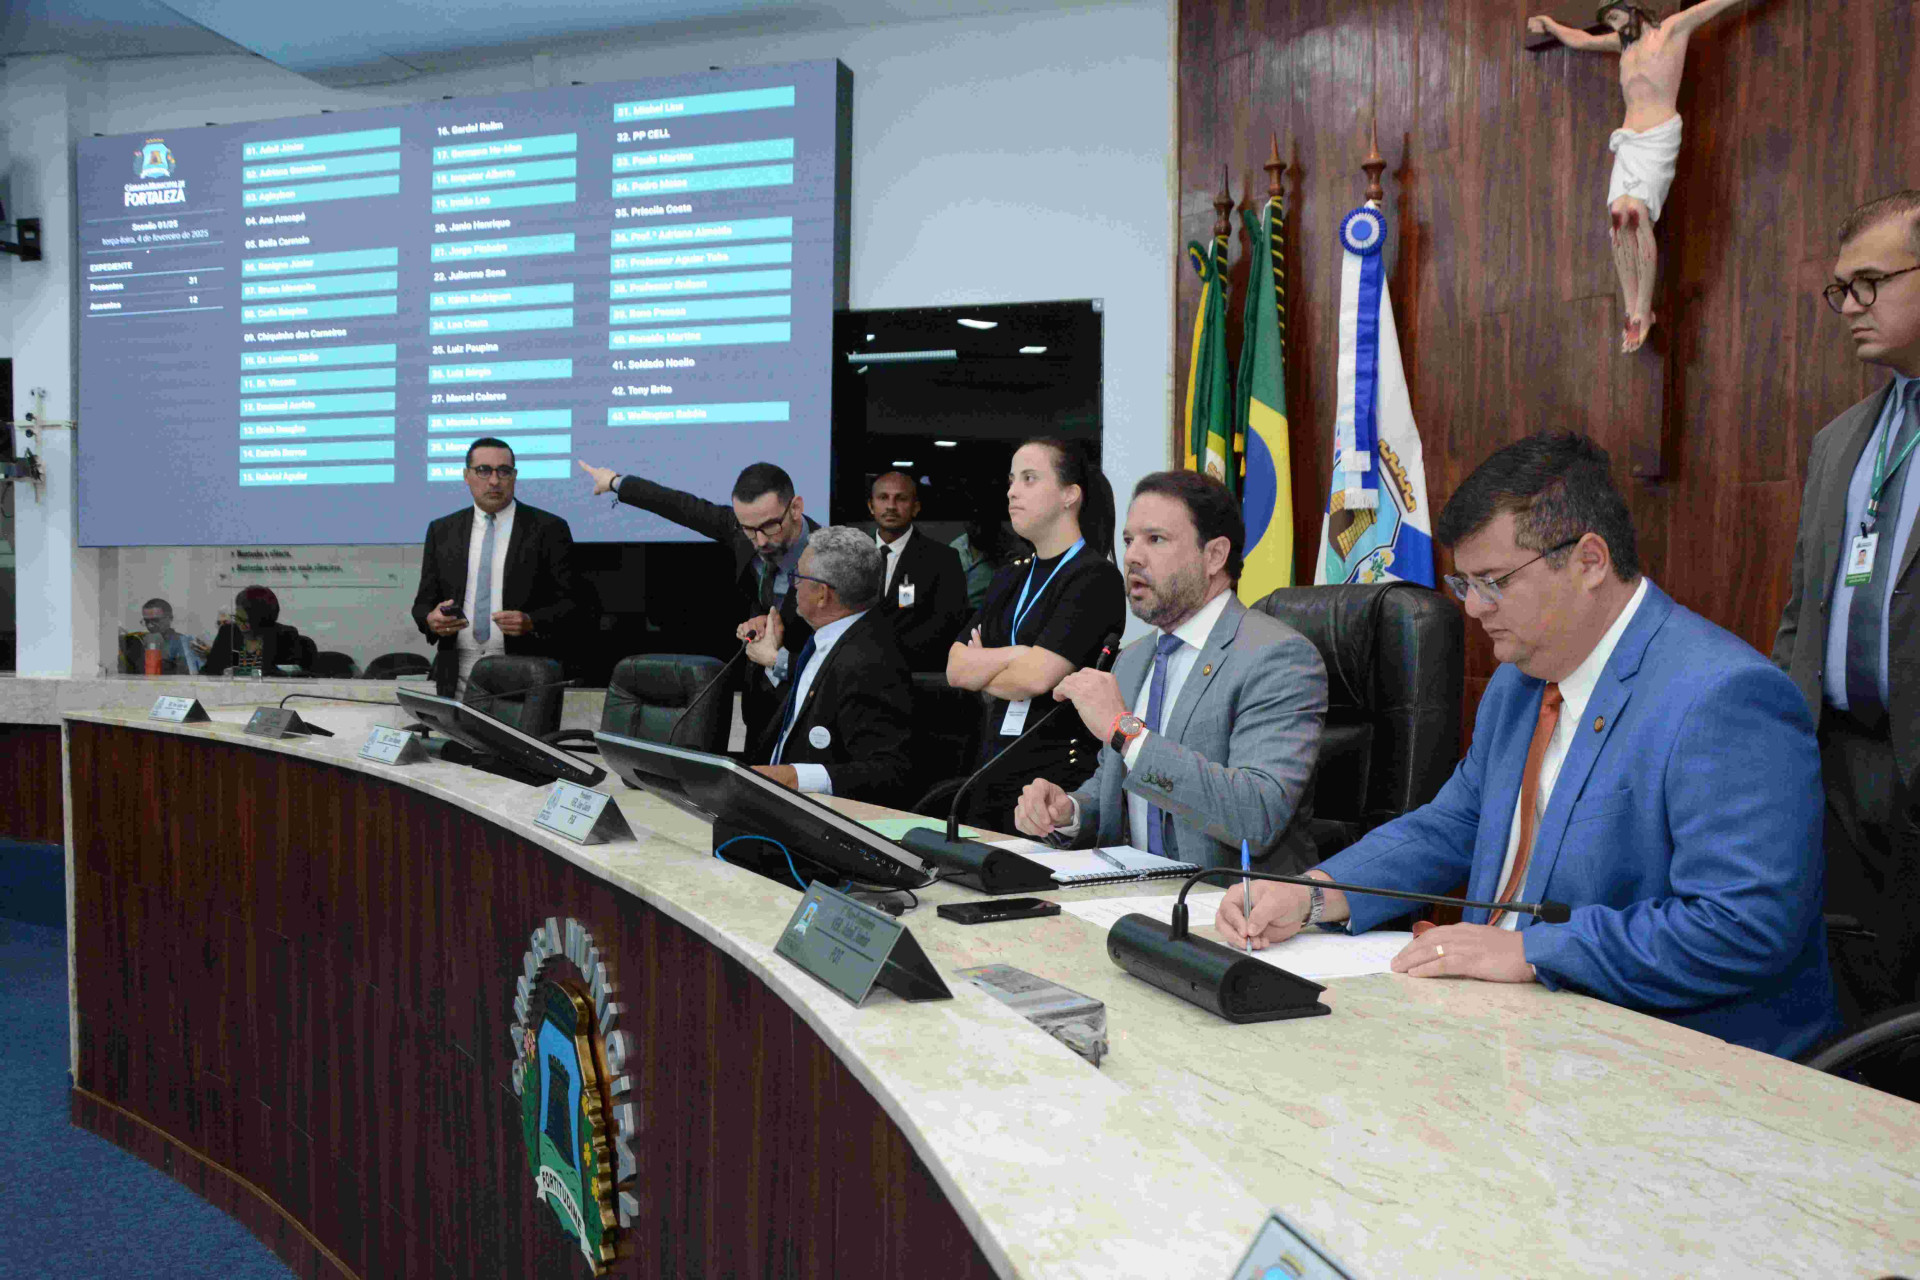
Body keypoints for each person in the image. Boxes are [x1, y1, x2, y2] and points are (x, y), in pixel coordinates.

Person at [1219, 432, 1838, 1060]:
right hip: (1511, 1034)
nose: (1475, 609)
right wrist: (1315, 892)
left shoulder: (1723, 696)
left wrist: (1531, 951)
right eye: (1465, 585)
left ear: (1590, 561)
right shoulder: (1520, 681)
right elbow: (1456, 825)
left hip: (1678, 1061)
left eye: (1493, 582)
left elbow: (1744, 928)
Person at [1013, 471, 1327, 871]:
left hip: (1229, 910)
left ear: (1213, 555)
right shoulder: (1132, 659)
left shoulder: (1278, 658)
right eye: (1128, 540)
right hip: (1131, 899)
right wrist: (1070, 812)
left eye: (1155, 539)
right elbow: (1120, 790)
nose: (1132, 556)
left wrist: (1124, 731)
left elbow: (1256, 815)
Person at [1773, 190, 1920, 1028]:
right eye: (1840, 290)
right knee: (1859, 1007)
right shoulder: (1840, 441)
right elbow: (1803, 611)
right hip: (1842, 774)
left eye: (1870, 283)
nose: (1850, 308)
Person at [1526, 0, 1752, 353]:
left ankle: (1644, 310)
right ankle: (1631, 308)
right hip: (1629, 142)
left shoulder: (1672, 29)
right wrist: (1550, 25)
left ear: (1635, 9)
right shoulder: (1622, 45)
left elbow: (1715, 5)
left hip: (1658, 137)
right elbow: (1582, 40)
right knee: (1618, 219)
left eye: (1617, 17)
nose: (1615, 27)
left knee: (1636, 215)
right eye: (1611, 21)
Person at [946, 438, 1125, 827]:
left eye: (1029, 479)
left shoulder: (1094, 577)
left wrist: (992, 665)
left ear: (1069, 495)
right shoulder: (1012, 573)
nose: (1012, 491)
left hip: (1055, 784)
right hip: (991, 766)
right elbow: (956, 667)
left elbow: (1037, 677)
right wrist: (1017, 653)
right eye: (1012, 480)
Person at [577, 458, 817, 743]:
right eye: (749, 530)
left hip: (809, 705)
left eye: (770, 527)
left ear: (796, 508)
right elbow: (681, 506)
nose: (761, 541)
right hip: (760, 697)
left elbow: (845, 655)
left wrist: (778, 659)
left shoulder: (830, 556)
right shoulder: (745, 531)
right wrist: (616, 482)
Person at [745, 526, 915, 808]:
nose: (793, 585)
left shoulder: (870, 661)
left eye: (797, 577)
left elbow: (891, 772)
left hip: (812, 829)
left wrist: (795, 777)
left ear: (822, 594)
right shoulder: (829, 639)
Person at [411, 438, 589, 698]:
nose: (494, 481)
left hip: (524, 670)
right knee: (458, 739)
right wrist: (430, 619)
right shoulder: (442, 530)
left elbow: (576, 606)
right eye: (483, 470)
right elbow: (422, 604)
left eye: (503, 471)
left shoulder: (548, 528)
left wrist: (531, 622)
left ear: (514, 477)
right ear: (467, 476)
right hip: (456, 670)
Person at [866, 469, 969, 670]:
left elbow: (948, 624)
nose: (891, 506)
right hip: (857, 674)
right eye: (883, 498)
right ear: (871, 506)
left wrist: (886, 655)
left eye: (901, 499)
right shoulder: (852, 555)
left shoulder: (943, 559)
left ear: (916, 507)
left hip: (916, 676)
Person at [201, 586, 309, 676]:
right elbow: (208, 671)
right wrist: (223, 672)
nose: (240, 624)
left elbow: (295, 673)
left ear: (262, 620)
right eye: (237, 617)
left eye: (246, 621)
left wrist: (256, 673)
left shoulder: (285, 636)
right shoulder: (228, 633)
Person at [122, 598, 199, 675]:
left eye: (155, 620)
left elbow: (190, 678)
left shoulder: (183, 642)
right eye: (146, 621)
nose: (150, 625)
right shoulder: (139, 642)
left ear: (170, 618)